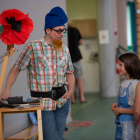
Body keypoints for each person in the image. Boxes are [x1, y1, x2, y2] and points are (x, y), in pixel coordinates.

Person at [0, 6, 75, 140]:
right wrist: (7, 89)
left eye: (63, 30)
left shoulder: (64, 50)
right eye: (58, 31)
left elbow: (70, 73)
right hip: (43, 104)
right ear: (48, 30)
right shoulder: (33, 47)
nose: (61, 34)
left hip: (62, 103)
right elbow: (16, 69)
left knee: (58, 137)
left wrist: (70, 91)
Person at [111, 52, 140, 140]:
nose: (118, 67)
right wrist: (117, 105)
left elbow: (136, 110)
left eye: (120, 65)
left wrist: (119, 110)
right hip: (120, 122)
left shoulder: (135, 85)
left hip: (130, 123)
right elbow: (127, 102)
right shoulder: (123, 83)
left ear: (129, 65)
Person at [68, 25, 87, 103]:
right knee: (79, 77)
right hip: (76, 56)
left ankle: (72, 99)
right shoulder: (75, 29)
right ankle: (82, 97)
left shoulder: (63, 31)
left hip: (67, 57)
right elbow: (80, 42)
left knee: (69, 77)